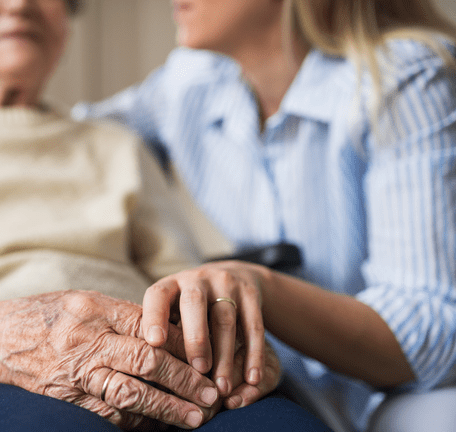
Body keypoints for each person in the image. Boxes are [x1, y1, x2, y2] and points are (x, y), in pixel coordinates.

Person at [0, 0, 332, 431]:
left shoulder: (117, 145)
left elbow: (179, 277)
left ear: (64, 28)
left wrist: (210, 343)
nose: (20, 4)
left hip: (147, 370)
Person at [72, 0, 456, 430]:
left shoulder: (405, 77)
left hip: (413, 394)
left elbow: (433, 331)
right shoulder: (192, 81)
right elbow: (71, 139)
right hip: (291, 387)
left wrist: (259, 287)